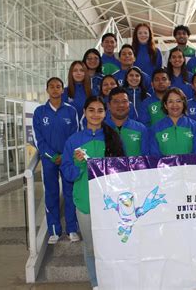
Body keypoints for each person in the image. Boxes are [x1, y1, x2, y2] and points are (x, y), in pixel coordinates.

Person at [61, 96, 125, 289]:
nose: (95, 114)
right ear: (85, 113)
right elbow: (67, 172)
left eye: (100, 110)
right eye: (91, 110)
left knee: (113, 245)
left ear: (105, 113)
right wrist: (80, 165)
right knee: (91, 248)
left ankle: (114, 281)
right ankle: (96, 283)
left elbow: (121, 170)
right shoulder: (74, 141)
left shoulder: (112, 137)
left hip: (111, 203)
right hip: (85, 202)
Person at [33, 77, 80, 244]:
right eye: (51, 86)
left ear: (62, 90)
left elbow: (75, 136)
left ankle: (72, 229)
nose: (55, 89)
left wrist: (65, 156)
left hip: (68, 159)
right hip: (49, 160)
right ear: (47, 90)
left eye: (58, 86)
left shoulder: (71, 111)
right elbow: (38, 139)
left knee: (70, 194)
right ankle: (54, 230)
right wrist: (52, 156)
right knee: (51, 194)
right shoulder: (39, 112)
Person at [150, 87, 196, 156]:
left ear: (183, 104)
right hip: (165, 166)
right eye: (170, 101)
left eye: (178, 101)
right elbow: (154, 156)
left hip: (190, 166)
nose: (175, 105)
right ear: (165, 105)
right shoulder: (156, 128)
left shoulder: (193, 126)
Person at [106, 87, 149, 156]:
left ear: (129, 105)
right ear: (108, 106)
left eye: (124, 101)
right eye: (116, 102)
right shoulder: (101, 129)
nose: (121, 105)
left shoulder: (141, 129)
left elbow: (146, 158)